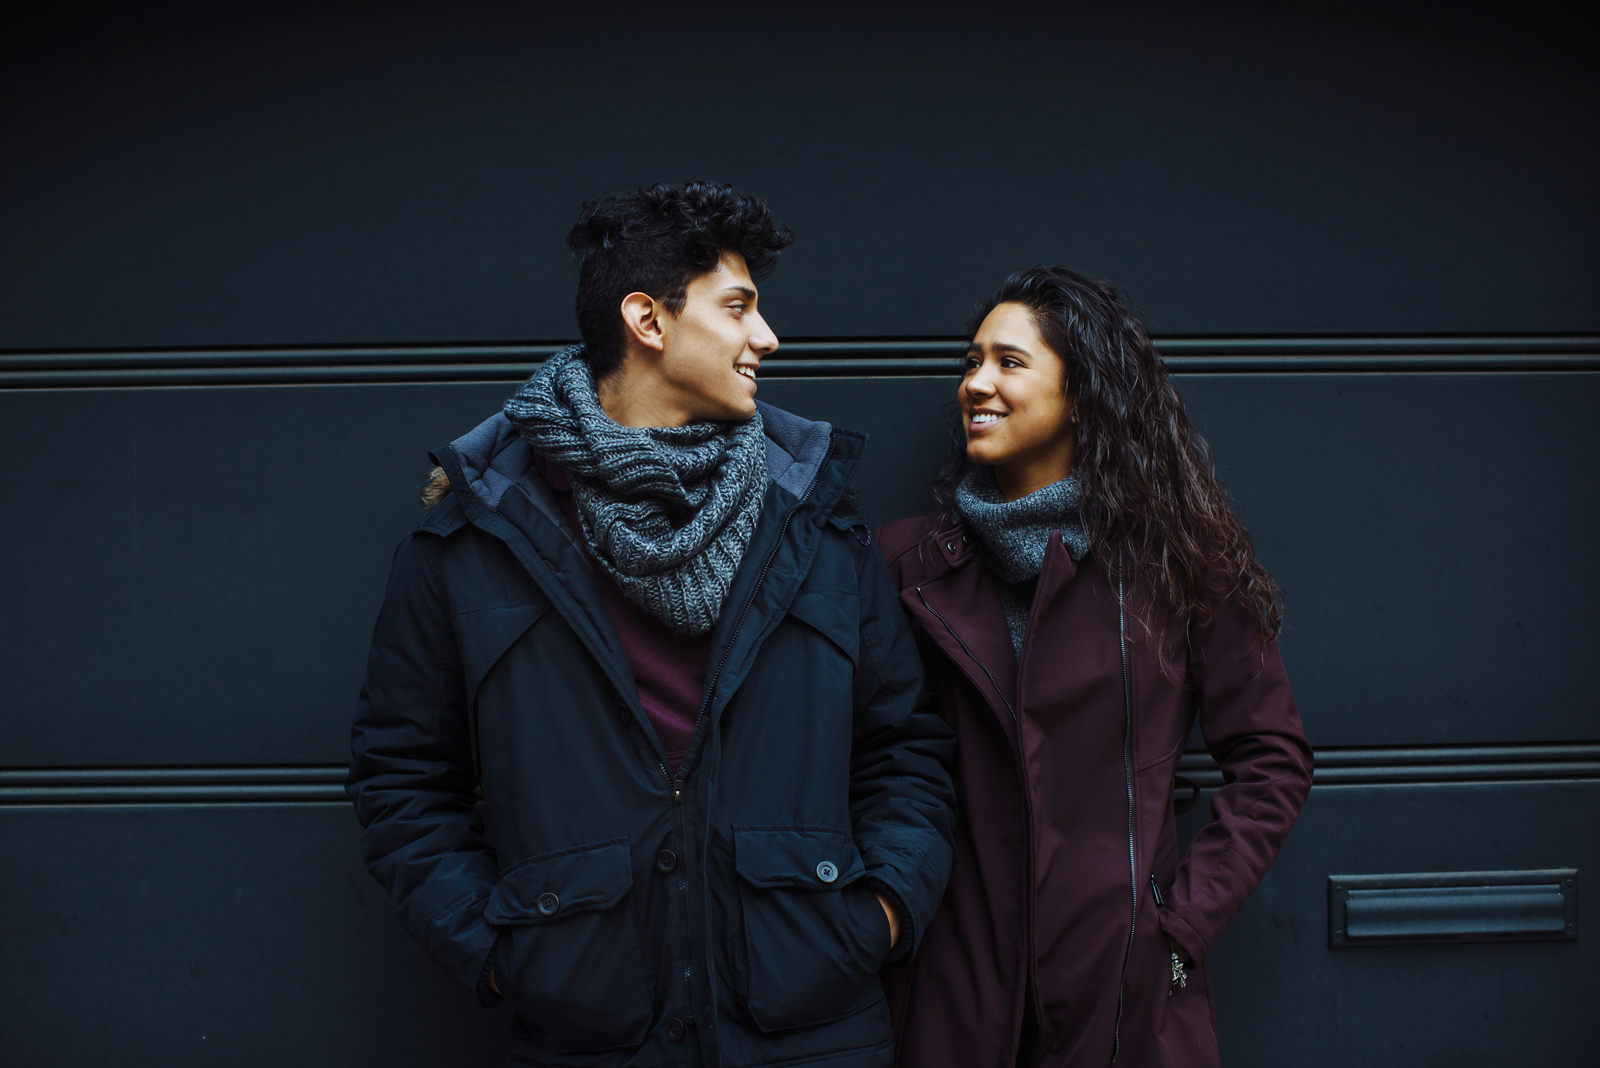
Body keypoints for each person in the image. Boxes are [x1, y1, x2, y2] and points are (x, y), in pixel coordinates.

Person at [347, 182, 956, 1068]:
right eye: (739, 307)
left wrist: (875, 917)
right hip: (593, 1039)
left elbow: (904, 751)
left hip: (810, 1035)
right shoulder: (478, 539)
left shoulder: (817, 526)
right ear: (648, 320)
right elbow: (402, 778)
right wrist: (499, 955)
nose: (768, 338)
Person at [875, 266, 1313, 1068]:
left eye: (1010, 362)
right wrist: (885, 913)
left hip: (1126, 994)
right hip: (952, 989)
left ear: (1083, 394)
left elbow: (1272, 759)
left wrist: (1179, 928)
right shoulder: (904, 566)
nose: (976, 383)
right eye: (971, 362)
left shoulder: (1177, 563)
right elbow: (871, 763)